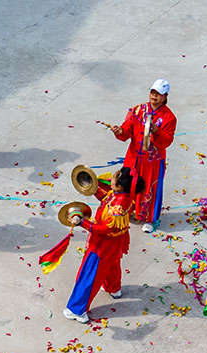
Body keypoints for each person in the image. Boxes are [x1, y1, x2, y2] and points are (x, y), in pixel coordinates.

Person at [61, 166, 140, 323]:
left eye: (114, 178)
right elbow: (106, 198)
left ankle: (77, 310)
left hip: (103, 245)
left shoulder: (117, 209)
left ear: (120, 186)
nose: (111, 179)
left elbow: (104, 229)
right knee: (112, 264)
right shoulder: (124, 196)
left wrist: (82, 222)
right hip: (116, 242)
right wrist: (93, 188)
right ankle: (113, 288)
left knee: (90, 274)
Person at [106, 79, 176, 233]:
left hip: (152, 161)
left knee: (150, 189)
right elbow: (127, 129)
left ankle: (149, 219)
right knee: (127, 184)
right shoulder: (138, 110)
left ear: (165, 97)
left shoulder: (169, 118)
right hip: (133, 156)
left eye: (159, 94)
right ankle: (126, 210)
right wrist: (120, 132)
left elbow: (167, 141)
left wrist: (156, 131)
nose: (155, 96)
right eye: (153, 92)